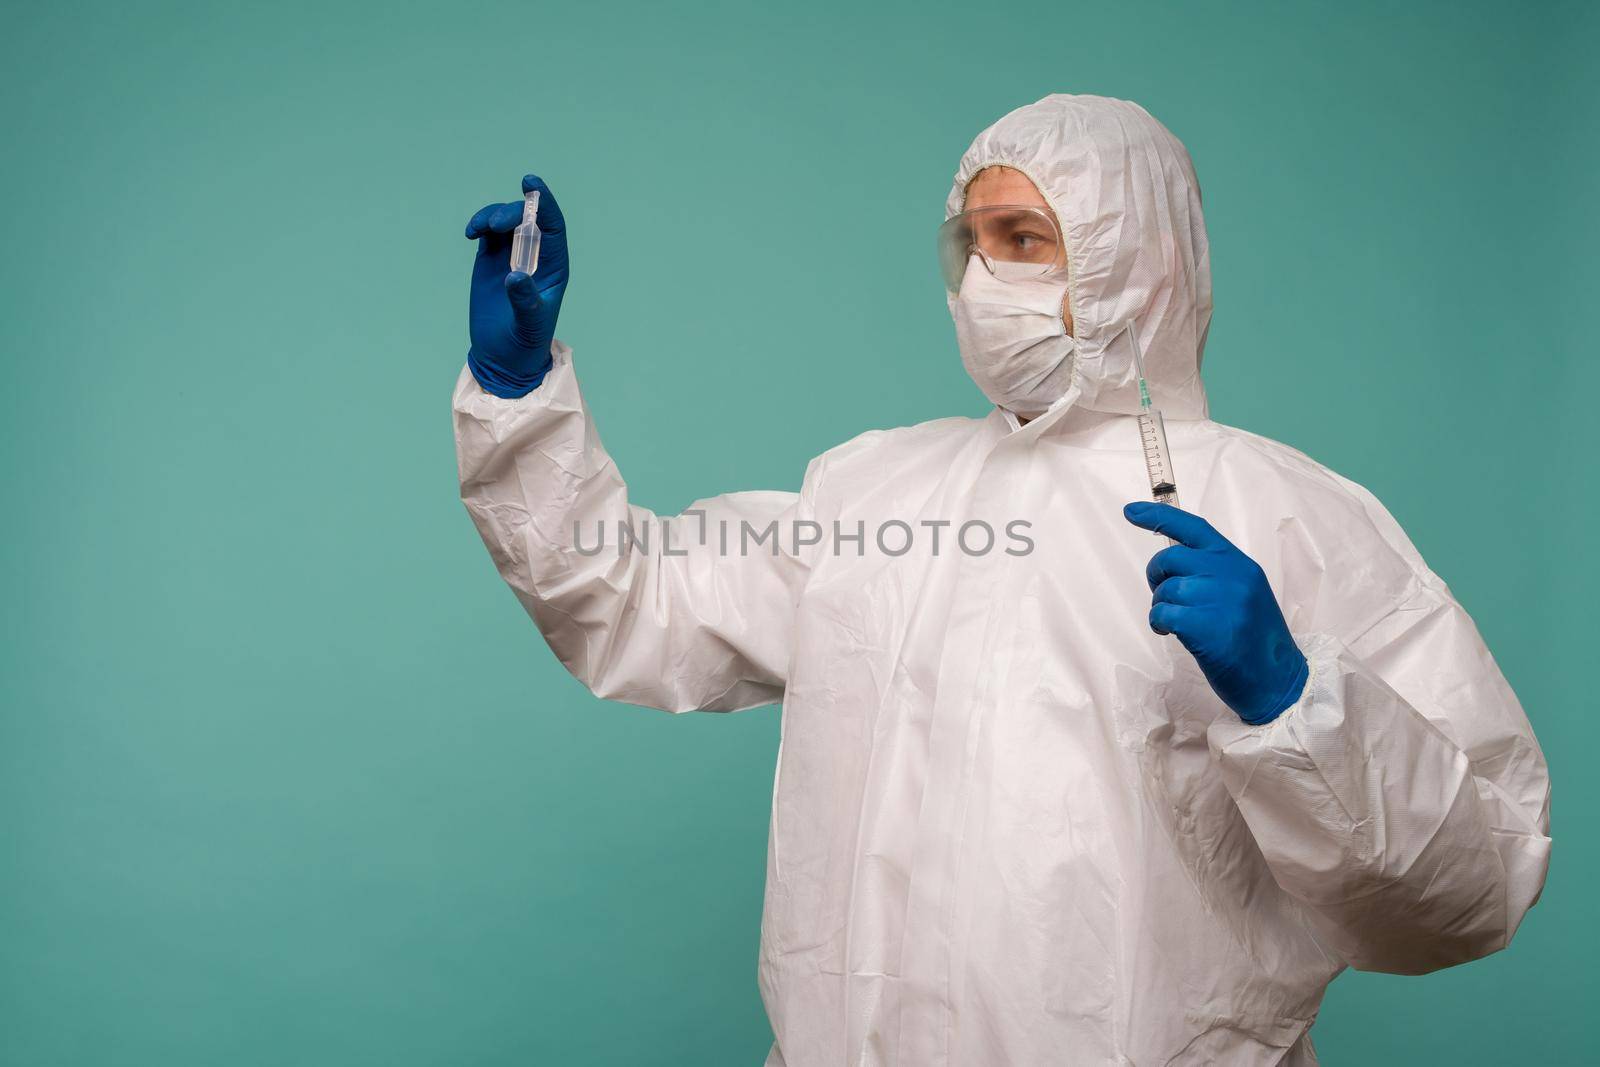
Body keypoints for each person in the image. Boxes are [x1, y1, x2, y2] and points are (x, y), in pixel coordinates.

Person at [451, 95, 1550, 1065]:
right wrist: (516, 398)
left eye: (1025, 238)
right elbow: (630, 596)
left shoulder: (1287, 514)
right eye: (969, 243)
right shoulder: (874, 491)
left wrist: (1298, 705)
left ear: (1138, 262)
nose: (984, 280)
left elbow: (1473, 888)